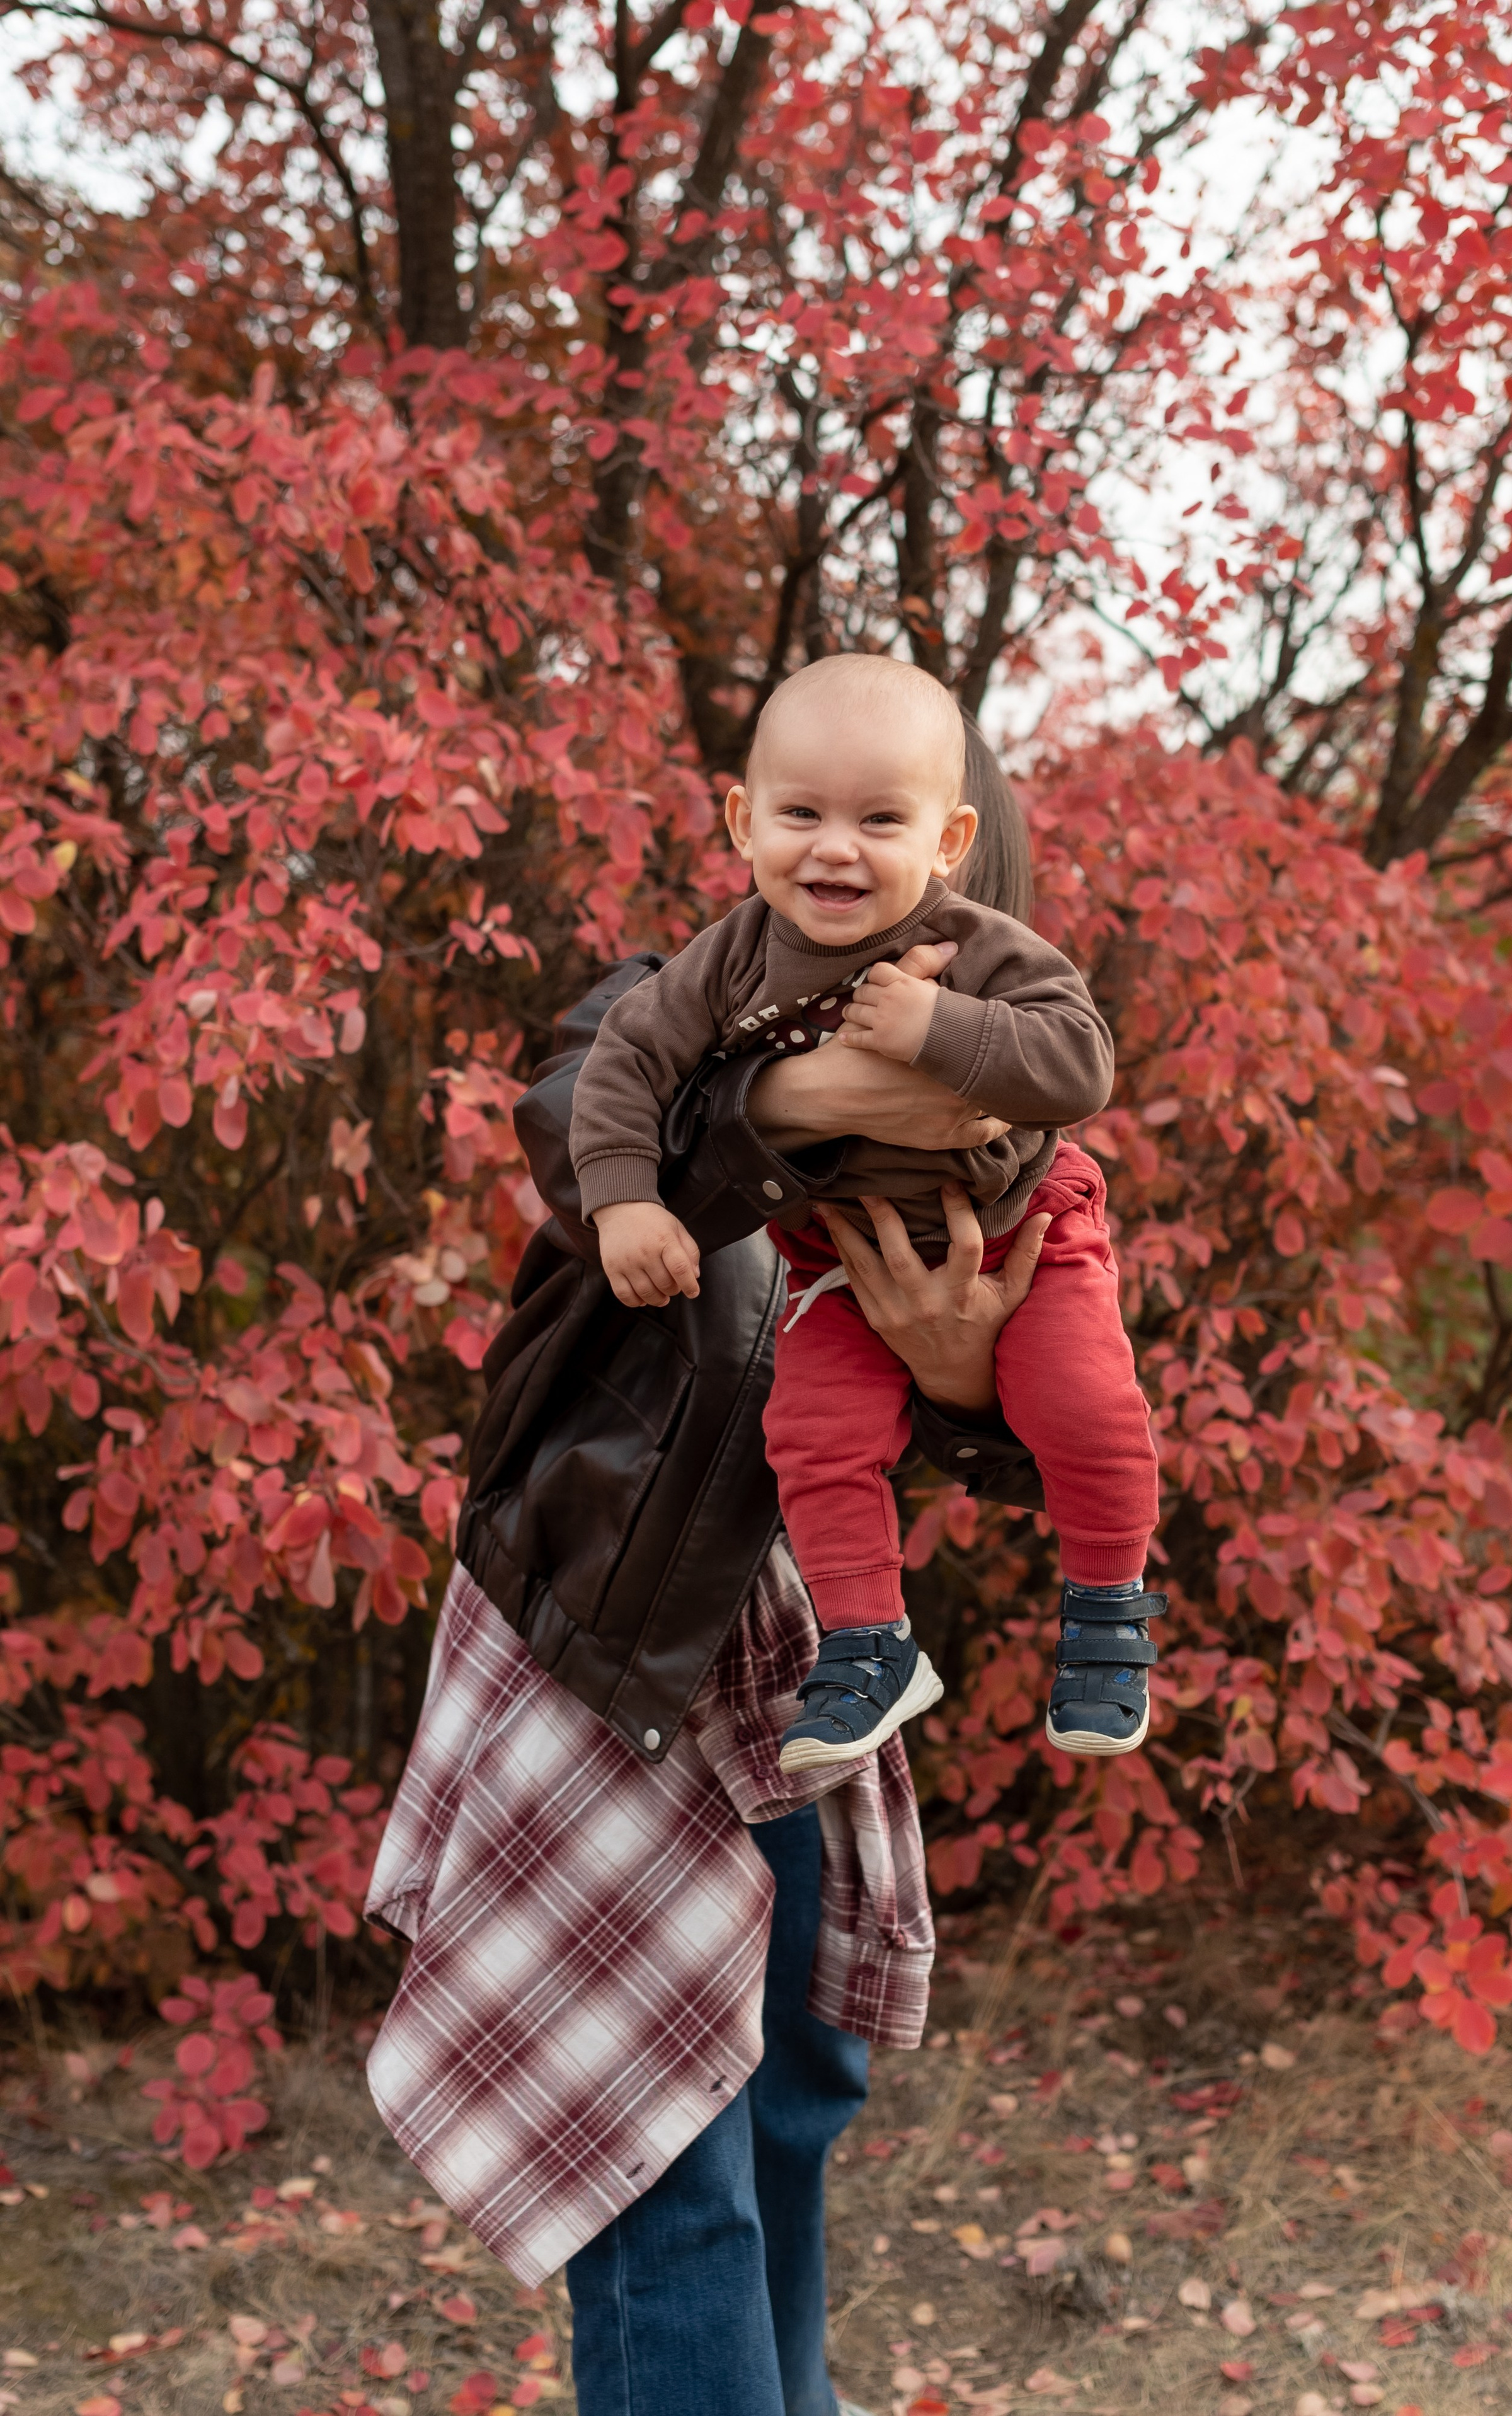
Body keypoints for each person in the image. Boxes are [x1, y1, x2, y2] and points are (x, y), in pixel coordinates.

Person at [363, 718, 1118, 2416]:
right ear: (750, 832)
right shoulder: (652, 1006)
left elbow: (1025, 1428)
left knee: (788, 2095)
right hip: (606, 1636)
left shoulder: (1002, 1130)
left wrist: (950, 1370)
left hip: (802, 1640)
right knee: (664, 2144)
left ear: (959, 865)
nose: (851, 864)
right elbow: (584, 1132)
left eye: (903, 834)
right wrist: (799, 1092)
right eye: (810, 817)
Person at [570, 655, 1160, 1766]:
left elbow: (1081, 1063)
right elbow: (622, 1062)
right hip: (836, 1260)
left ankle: (1106, 1610)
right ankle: (867, 1641)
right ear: (745, 823)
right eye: (802, 813)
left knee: (1083, 1404)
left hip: (1031, 1233)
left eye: (880, 818)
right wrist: (624, 1203)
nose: (836, 846)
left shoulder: (980, 946)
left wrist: (940, 1029)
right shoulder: (731, 958)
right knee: (812, 1436)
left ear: (946, 844)